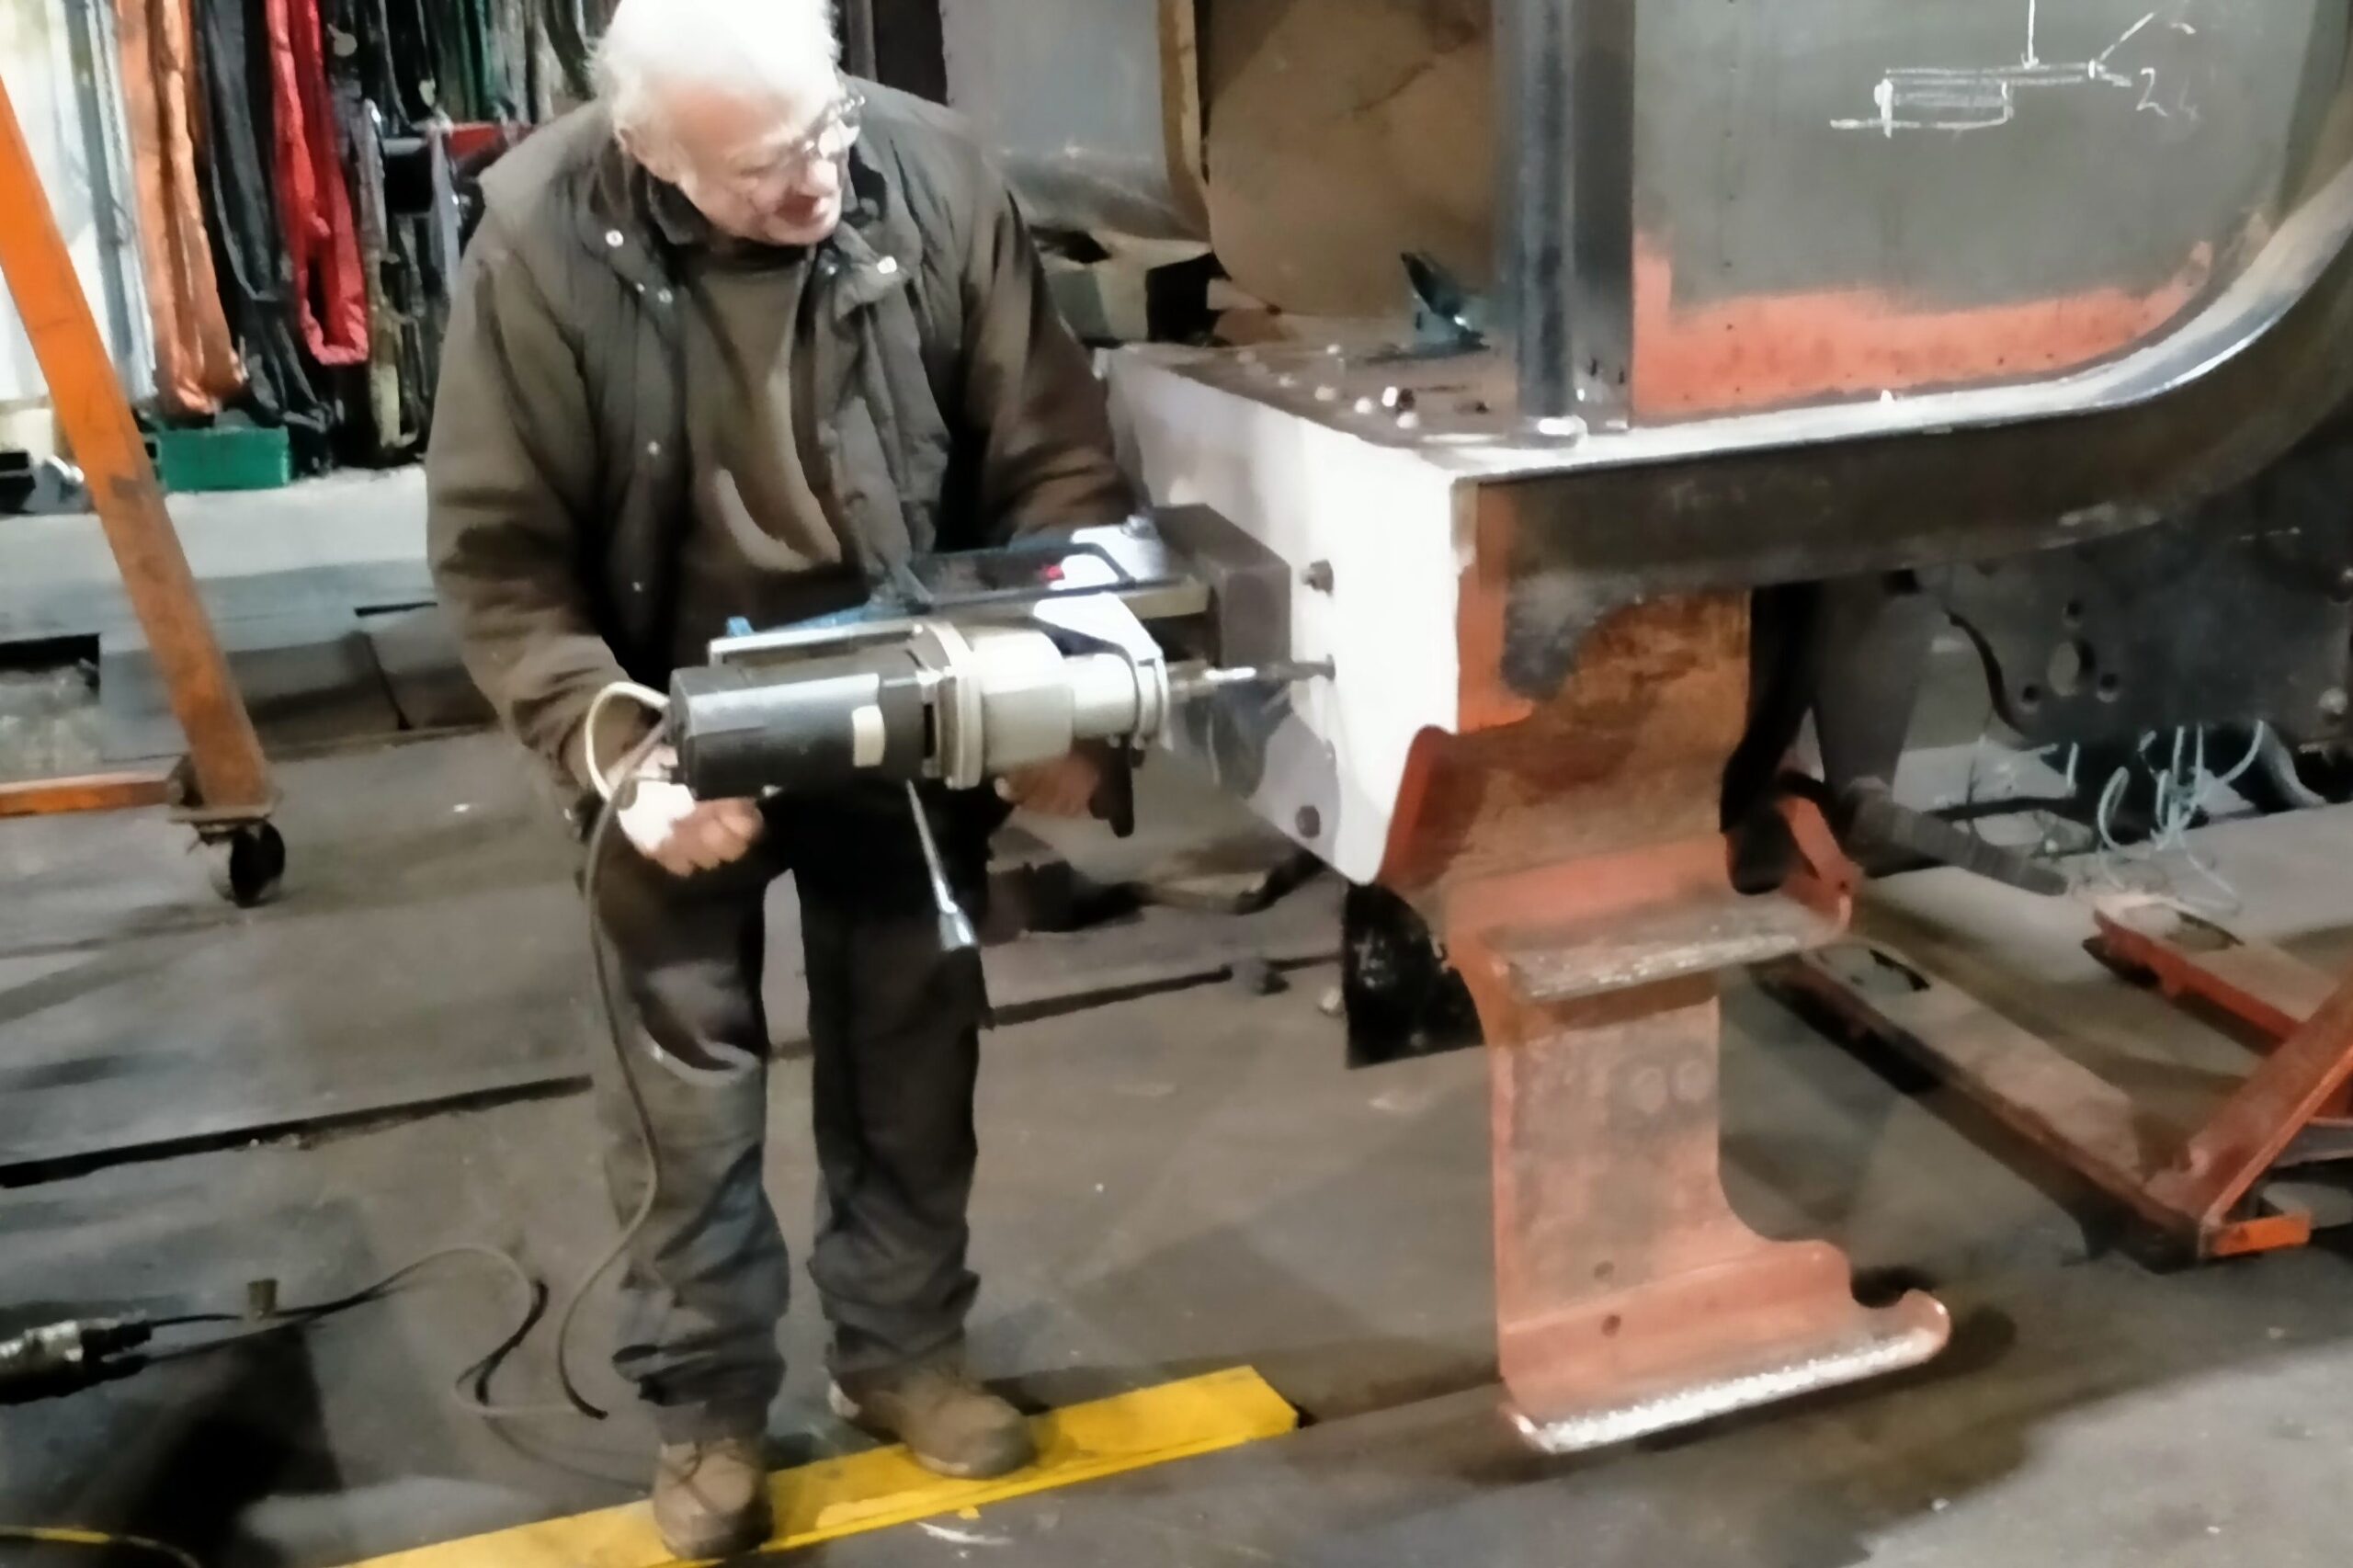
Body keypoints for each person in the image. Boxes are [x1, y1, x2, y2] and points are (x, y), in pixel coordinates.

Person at [425, 0, 1132, 1555]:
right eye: (759, 167)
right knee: (681, 1078)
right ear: (646, 148)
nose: (814, 178)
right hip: (670, 709)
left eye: (824, 128)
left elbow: (1053, 457)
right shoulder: (539, 238)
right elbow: (500, 555)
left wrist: (1058, 682)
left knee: (912, 1033)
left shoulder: (934, 173)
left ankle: (904, 1351)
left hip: (902, 682)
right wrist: (614, 751)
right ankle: (710, 1407)